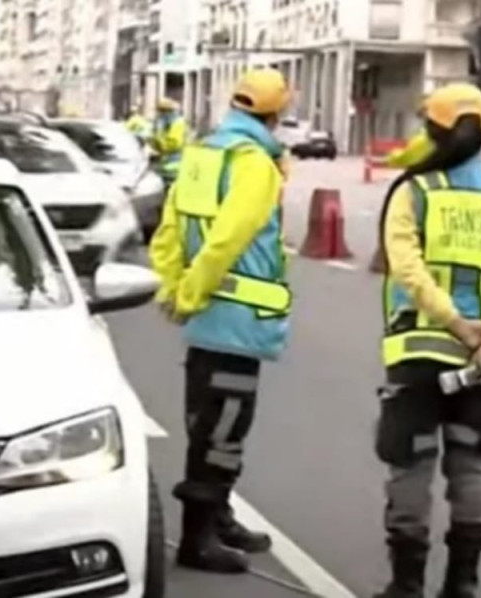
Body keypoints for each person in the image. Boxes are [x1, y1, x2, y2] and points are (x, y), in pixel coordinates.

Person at [373, 83, 481, 598]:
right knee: (472, 466)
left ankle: (406, 586)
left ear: (433, 133)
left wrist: (453, 321)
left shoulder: (414, 192)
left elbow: (406, 267)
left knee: (411, 464)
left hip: (421, 352)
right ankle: (463, 583)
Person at [148, 69, 294, 574]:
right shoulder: (255, 164)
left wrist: (172, 286)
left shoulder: (202, 153)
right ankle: (198, 538)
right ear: (274, 115)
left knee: (205, 420)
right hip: (236, 319)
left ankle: (220, 517)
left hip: (206, 317)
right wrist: (189, 291)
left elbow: (170, 228)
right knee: (225, 427)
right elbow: (227, 239)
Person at [150, 98, 189, 182]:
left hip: (175, 164)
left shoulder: (178, 124)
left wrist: (158, 133)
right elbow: (157, 146)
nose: (159, 115)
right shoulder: (168, 125)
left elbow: (171, 146)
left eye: (161, 112)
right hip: (166, 163)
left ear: (168, 112)